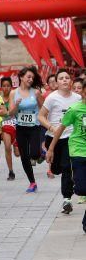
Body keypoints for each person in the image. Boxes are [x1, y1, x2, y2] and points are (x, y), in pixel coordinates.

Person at [46, 86, 86, 229]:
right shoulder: (74, 109)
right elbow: (60, 129)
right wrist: (50, 149)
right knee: (81, 189)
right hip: (78, 151)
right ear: (83, 92)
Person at [40, 68, 78, 213]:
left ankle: (66, 199)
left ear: (71, 81)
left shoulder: (77, 98)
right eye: (61, 78)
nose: (64, 80)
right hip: (53, 137)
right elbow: (41, 116)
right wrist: (51, 127)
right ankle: (53, 163)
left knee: (66, 166)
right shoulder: (52, 98)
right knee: (56, 169)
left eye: (67, 78)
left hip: (70, 136)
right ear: (56, 82)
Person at [8, 67, 44, 194]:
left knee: (34, 154)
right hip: (21, 127)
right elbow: (11, 113)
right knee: (24, 156)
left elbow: (44, 108)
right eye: (28, 77)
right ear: (21, 77)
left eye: (32, 78)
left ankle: (41, 152)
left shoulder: (36, 92)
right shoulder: (13, 93)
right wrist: (17, 105)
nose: (30, 79)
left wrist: (45, 122)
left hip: (34, 127)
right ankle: (32, 182)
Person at [0, 76, 17, 180]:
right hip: (4, 124)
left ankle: (16, 146)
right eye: (4, 86)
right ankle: (11, 171)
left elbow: (13, 111)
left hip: (15, 123)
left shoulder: (13, 96)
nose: (6, 88)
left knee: (17, 154)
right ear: (1, 87)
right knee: (7, 147)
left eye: (8, 86)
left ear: (11, 86)